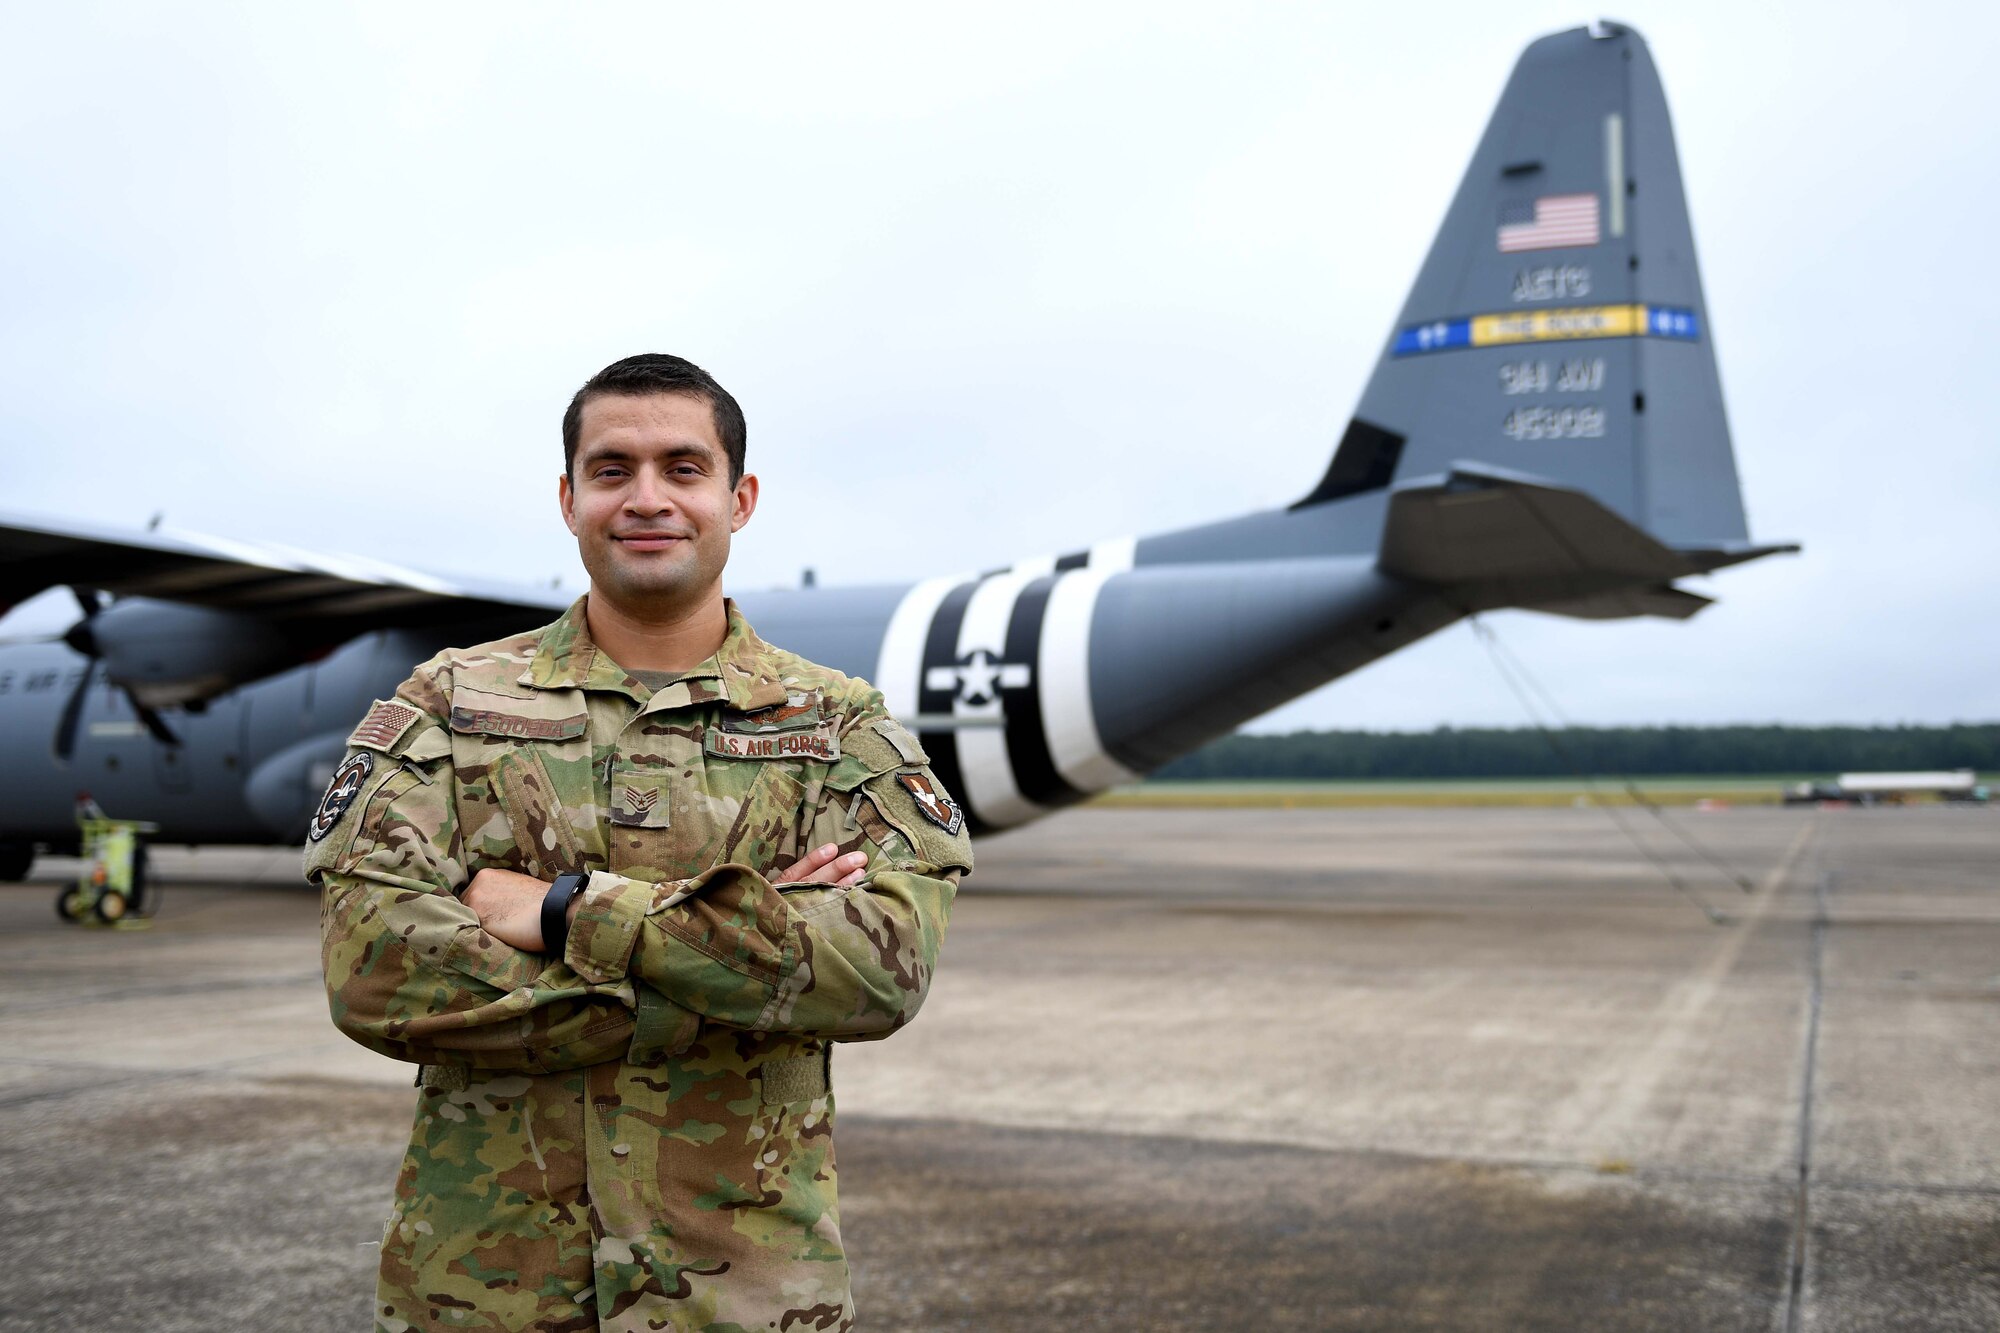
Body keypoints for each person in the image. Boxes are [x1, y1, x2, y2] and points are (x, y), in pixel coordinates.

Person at [308, 353, 971, 1333]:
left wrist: (564, 911)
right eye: (612, 470)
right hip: (485, 1293)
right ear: (569, 497)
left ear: (738, 498)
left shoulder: (834, 721)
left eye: (682, 467)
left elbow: (884, 969)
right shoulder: (448, 702)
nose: (646, 498)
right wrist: (739, 970)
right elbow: (372, 969)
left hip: (743, 1297)